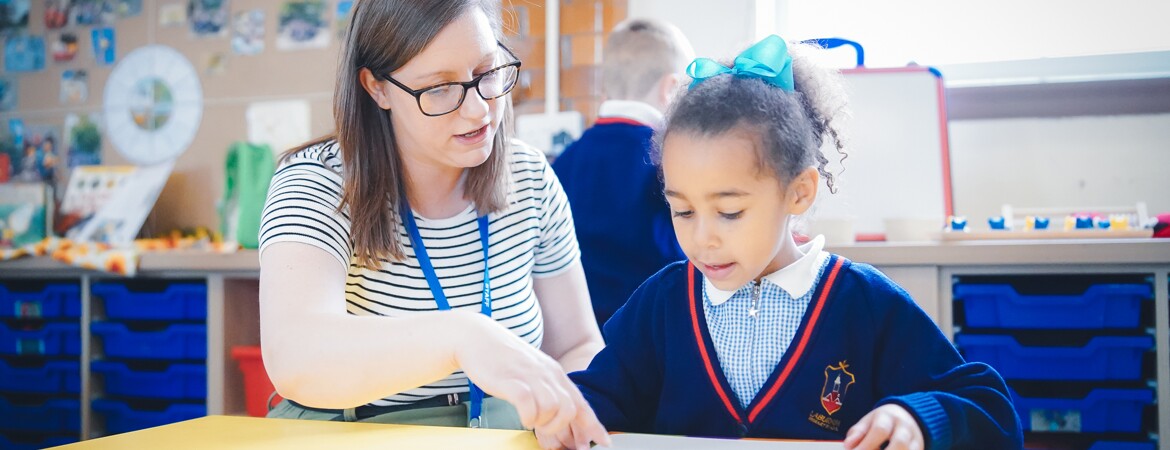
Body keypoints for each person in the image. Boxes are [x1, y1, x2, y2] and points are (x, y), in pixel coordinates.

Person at [551, 36, 1023, 450]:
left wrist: (917, 416)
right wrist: (564, 412)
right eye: (683, 210)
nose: (702, 237)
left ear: (799, 192)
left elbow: (989, 407)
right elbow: (597, 398)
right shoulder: (662, 303)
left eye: (730, 211)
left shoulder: (864, 304)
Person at [257, 1, 609, 448]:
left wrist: (565, 406)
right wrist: (463, 337)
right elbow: (297, 357)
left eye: (488, 71)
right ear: (377, 88)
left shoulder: (530, 176)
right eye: (440, 88)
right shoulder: (318, 182)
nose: (478, 109)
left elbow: (576, 344)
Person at [551, 18, 693, 327]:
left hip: (581, 340)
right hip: (655, 334)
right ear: (671, 89)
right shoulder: (669, 160)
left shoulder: (563, 162)